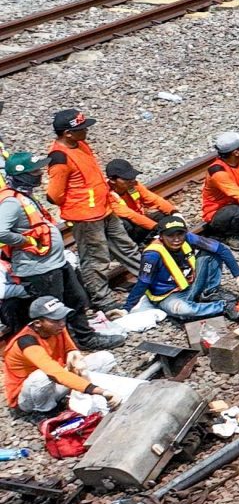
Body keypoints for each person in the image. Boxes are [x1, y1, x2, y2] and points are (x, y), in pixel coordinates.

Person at [1, 155, 113, 349]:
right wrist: (24, 240)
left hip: (55, 263)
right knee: (53, 312)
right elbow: (1, 231)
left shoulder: (25, 196)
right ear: (22, 175)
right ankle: (65, 348)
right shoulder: (11, 202)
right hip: (39, 268)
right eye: (35, 172)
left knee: (76, 299)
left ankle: (85, 339)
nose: (40, 174)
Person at [45, 110, 122, 302]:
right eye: (81, 128)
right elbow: (54, 195)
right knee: (96, 259)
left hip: (102, 208)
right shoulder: (59, 158)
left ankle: (148, 279)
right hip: (86, 215)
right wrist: (81, 203)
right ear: (67, 133)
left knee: (124, 246)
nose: (86, 130)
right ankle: (103, 301)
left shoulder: (80, 144)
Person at [5, 297, 113, 416]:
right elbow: (54, 372)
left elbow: (70, 348)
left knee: (105, 358)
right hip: (29, 396)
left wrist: (75, 354)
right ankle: (46, 412)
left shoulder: (57, 328)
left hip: (55, 383)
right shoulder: (27, 342)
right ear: (38, 323)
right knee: (41, 377)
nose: (62, 323)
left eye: (63, 318)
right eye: (56, 320)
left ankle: (74, 393)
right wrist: (100, 391)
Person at [125, 217, 239, 320]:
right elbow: (143, 282)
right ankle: (223, 306)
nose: (176, 239)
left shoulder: (189, 238)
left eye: (180, 234)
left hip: (190, 284)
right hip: (169, 295)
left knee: (211, 254)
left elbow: (222, 249)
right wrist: (127, 308)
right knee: (182, 310)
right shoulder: (152, 255)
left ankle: (209, 293)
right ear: (161, 236)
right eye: (170, 235)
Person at [102, 159, 174, 267]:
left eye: (132, 178)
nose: (132, 181)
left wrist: (174, 212)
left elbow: (153, 199)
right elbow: (130, 214)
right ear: (113, 180)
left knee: (162, 216)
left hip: (138, 222)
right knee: (124, 223)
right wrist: (158, 227)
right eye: (127, 179)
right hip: (125, 229)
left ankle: (146, 242)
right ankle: (127, 250)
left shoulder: (133, 185)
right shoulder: (106, 195)